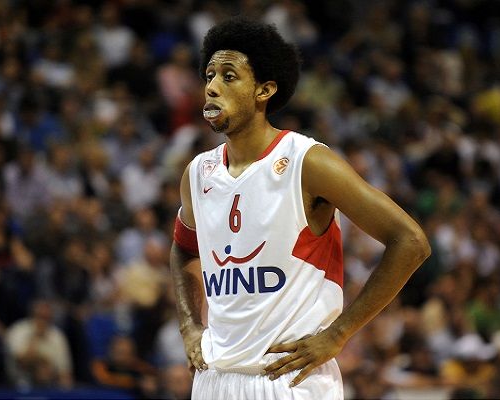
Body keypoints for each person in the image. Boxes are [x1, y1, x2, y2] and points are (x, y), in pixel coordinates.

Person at [170, 17, 431, 400]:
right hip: (215, 379)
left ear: (264, 90)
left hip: (289, 381)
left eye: (228, 76)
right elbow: (183, 250)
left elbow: (410, 241)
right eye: (209, 76)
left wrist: (339, 334)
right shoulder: (197, 173)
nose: (211, 87)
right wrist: (190, 326)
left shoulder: (307, 162)